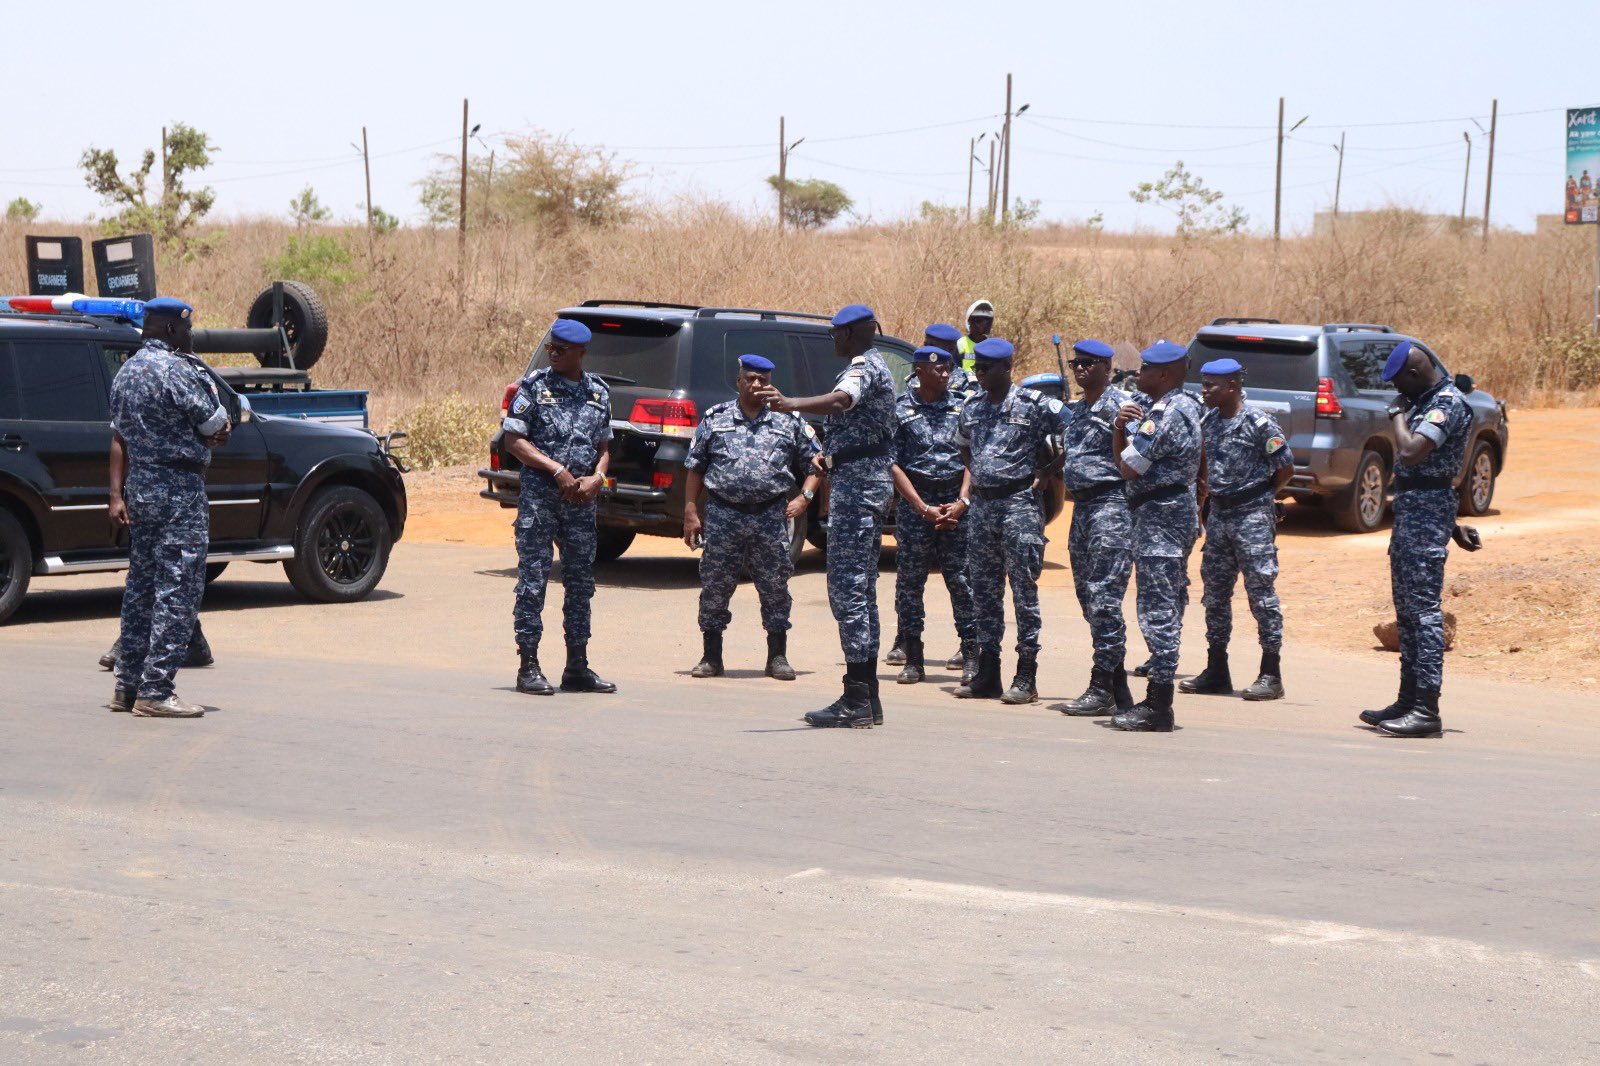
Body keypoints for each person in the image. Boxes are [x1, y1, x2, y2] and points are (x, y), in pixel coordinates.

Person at [755, 305, 897, 728]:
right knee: (862, 592)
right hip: (862, 482)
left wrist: (789, 403)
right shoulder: (875, 365)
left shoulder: (863, 367)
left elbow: (842, 399)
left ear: (852, 334)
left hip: (858, 489)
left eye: (837, 333)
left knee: (847, 592)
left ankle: (856, 699)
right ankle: (867, 696)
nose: (833, 339)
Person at [107, 297, 231, 718]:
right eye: (187, 328)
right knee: (178, 589)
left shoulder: (124, 372)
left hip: (140, 486)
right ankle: (156, 690)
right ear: (170, 329)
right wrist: (217, 431)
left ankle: (126, 687)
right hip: (179, 488)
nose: (191, 334)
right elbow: (216, 424)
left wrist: (117, 493)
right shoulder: (176, 370)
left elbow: (119, 437)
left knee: (141, 587)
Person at [681, 354, 821, 681]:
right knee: (715, 586)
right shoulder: (716, 418)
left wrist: (805, 497)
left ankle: (778, 657)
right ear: (739, 381)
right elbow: (695, 467)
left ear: (771, 383)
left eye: (763, 379)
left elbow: (819, 463)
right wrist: (689, 510)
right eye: (750, 378)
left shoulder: (789, 421)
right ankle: (711, 657)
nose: (756, 384)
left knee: (775, 587)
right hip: (722, 514)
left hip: (770, 515)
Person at [1360, 340, 1473, 738]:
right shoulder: (1426, 401)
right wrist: (1453, 525)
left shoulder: (1445, 403)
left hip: (1424, 514)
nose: (1397, 394)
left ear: (1413, 374)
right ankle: (1408, 699)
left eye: (1399, 385)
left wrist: (1395, 417)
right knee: (1407, 611)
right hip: (1418, 514)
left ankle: (1427, 708)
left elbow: (1411, 452)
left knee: (1424, 612)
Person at [501, 318, 617, 697]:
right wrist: (555, 469)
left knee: (581, 584)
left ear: (580, 353)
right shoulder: (534, 388)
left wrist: (597, 477)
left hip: (582, 502)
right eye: (551, 347)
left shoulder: (598, 392)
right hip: (541, 498)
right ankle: (528, 666)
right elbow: (514, 440)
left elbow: (604, 447)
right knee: (533, 582)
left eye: (561, 350)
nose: (552, 353)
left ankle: (577, 666)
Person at [952, 337, 1069, 705]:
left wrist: (1050, 470)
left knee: (1023, 592)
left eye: (986, 368)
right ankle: (989, 672)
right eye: (976, 368)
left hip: (1019, 504)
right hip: (983, 508)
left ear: (1007, 368)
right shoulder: (972, 406)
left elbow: (1078, 427)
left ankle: (1026, 675)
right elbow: (965, 446)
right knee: (984, 592)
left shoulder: (1034, 405)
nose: (980, 374)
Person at [1181, 358, 1294, 701]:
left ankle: (1271, 673)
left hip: (1253, 517)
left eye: (1210, 385)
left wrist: (1261, 497)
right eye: (1203, 384)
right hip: (1219, 516)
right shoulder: (1208, 421)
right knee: (1215, 595)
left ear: (1232, 387)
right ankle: (1217, 669)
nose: (1204, 391)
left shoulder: (1258, 423)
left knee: (1261, 593)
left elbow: (1284, 468)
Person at [1109, 340, 1205, 732]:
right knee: (1163, 604)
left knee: (1158, 609)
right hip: (1166, 512)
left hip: (1160, 518)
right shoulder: (1180, 406)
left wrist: (1118, 430)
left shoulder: (1167, 412)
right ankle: (1156, 700)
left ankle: (1159, 705)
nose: (1138, 374)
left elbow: (1129, 466)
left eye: (1146, 369)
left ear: (1164, 375)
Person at [1052, 339, 1136, 718]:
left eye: (1088, 364)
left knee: (1104, 598)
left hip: (1112, 506)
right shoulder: (1077, 411)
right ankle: (1119, 688)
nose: (1080, 370)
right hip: (1082, 508)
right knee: (1089, 599)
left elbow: (1137, 457)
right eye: (1075, 364)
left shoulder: (1123, 407)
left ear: (1107, 367)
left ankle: (1102, 685)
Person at [888, 345, 977, 685]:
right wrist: (919, 506)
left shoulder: (962, 407)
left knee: (962, 581)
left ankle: (971, 655)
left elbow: (972, 455)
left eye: (949, 369)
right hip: (917, 503)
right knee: (910, 583)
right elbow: (892, 462)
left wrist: (963, 501)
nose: (944, 374)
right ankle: (914, 658)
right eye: (937, 369)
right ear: (919, 371)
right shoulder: (900, 410)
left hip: (956, 500)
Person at [955, 299, 995, 372]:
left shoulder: (991, 346)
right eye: (979, 320)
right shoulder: (960, 343)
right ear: (970, 321)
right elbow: (955, 368)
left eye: (987, 321)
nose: (983, 324)